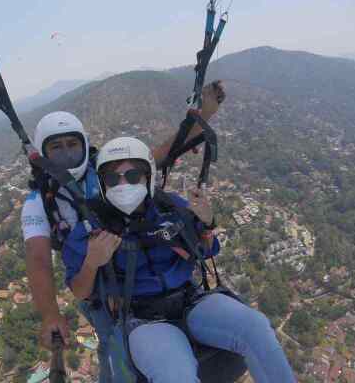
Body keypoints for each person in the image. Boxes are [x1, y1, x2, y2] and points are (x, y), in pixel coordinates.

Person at [22, 82, 225, 380]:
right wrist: (50, 313)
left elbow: (158, 156)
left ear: (84, 144)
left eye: (72, 144)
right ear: (43, 152)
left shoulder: (106, 169)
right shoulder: (38, 202)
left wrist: (203, 117)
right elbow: (38, 260)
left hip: (136, 273)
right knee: (117, 357)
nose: (66, 153)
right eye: (56, 147)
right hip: (97, 288)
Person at [61, 136, 296, 383]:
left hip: (191, 300)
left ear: (148, 177)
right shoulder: (92, 229)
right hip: (143, 320)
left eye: (132, 177)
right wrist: (92, 262)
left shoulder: (170, 208)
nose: (123, 185)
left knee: (255, 326)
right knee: (175, 375)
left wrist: (206, 224)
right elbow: (80, 291)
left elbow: (205, 250)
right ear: (102, 184)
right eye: (112, 179)